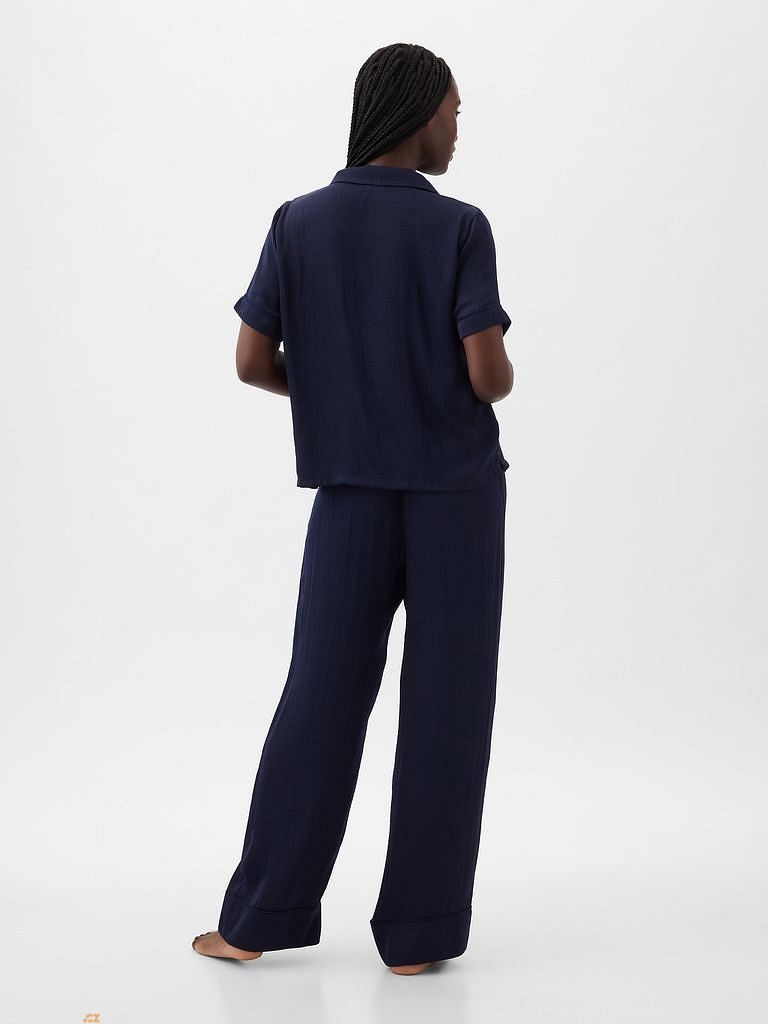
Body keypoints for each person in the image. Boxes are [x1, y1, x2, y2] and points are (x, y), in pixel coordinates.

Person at [192, 41, 514, 976]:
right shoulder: (460, 227)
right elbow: (487, 376)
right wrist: (494, 369)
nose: (457, 128)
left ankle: (255, 920)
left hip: (350, 497)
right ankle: (418, 938)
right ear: (417, 115)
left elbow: (251, 361)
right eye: (453, 111)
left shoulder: (298, 222)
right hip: (456, 494)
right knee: (448, 706)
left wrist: (338, 385)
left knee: (321, 695)